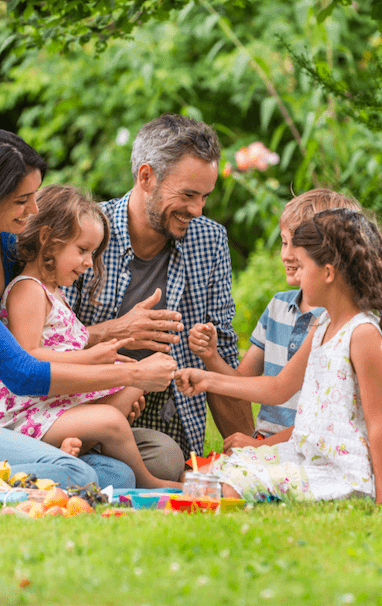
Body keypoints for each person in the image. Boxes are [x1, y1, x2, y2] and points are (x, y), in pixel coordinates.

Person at [0, 128, 176, 493]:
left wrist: (117, 331)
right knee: (77, 476)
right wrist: (131, 375)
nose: (34, 210)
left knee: (116, 476)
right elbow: (22, 372)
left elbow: (50, 334)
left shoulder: (7, 247)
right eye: (22, 199)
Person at [63, 114, 253, 479]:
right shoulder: (84, 233)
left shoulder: (209, 241)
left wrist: (249, 451)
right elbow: (41, 346)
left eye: (205, 197)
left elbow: (223, 356)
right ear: (146, 177)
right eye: (187, 195)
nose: (197, 210)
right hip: (78, 406)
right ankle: (73, 459)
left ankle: (82, 468)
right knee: (159, 464)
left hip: (161, 419)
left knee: (166, 459)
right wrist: (118, 331)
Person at [175, 209, 382, 510]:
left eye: (302, 266)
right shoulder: (324, 324)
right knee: (199, 477)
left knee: (219, 490)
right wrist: (207, 379)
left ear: (328, 272)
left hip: (344, 474)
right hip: (305, 455)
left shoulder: (362, 334)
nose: (296, 274)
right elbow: (278, 388)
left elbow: (378, 424)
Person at [0, 184, 181, 489]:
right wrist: (90, 357)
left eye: (93, 252)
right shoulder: (28, 290)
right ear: (48, 240)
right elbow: (27, 356)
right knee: (112, 420)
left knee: (131, 386)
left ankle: (73, 450)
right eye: (82, 250)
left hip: (51, 404)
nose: (89, 263)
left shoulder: (55, 293)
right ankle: (148, 481)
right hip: (24, 412)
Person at [188, 189, 373, 453]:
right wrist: (211, 357)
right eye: (284, 243)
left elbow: (321, 420)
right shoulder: (277, 307)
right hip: (267, 442)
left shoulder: (339, 321)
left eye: (297, 247)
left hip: (307, 445)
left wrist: (257, 447)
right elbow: (244, 386)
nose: (286, 255)